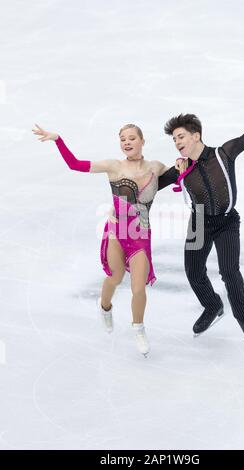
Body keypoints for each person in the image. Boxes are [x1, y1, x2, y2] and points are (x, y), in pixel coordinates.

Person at [32, 123, 177, 357]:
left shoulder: (156, 167)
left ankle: (138, 329)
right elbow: (75, 165)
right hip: (116, 231)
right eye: (122, 139)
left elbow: (180, 176)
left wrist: (185, 166)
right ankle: (104, 306)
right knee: (115, 277)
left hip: (140, 234)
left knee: (138, 288)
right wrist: (58, 139)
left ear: (142, 141)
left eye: (131, 138)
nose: (127, 142)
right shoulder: (113, 166)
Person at [157, 97, 244, 343]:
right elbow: (152, 187)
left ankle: (243, 315)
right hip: (199, 222)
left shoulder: (224, 154)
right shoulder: (181, 168)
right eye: (174, 139)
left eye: (180, 136)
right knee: (193, 271)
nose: (177, 142)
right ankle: (212, 306)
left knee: (230, 272)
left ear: (195, 136)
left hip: (227, 221)